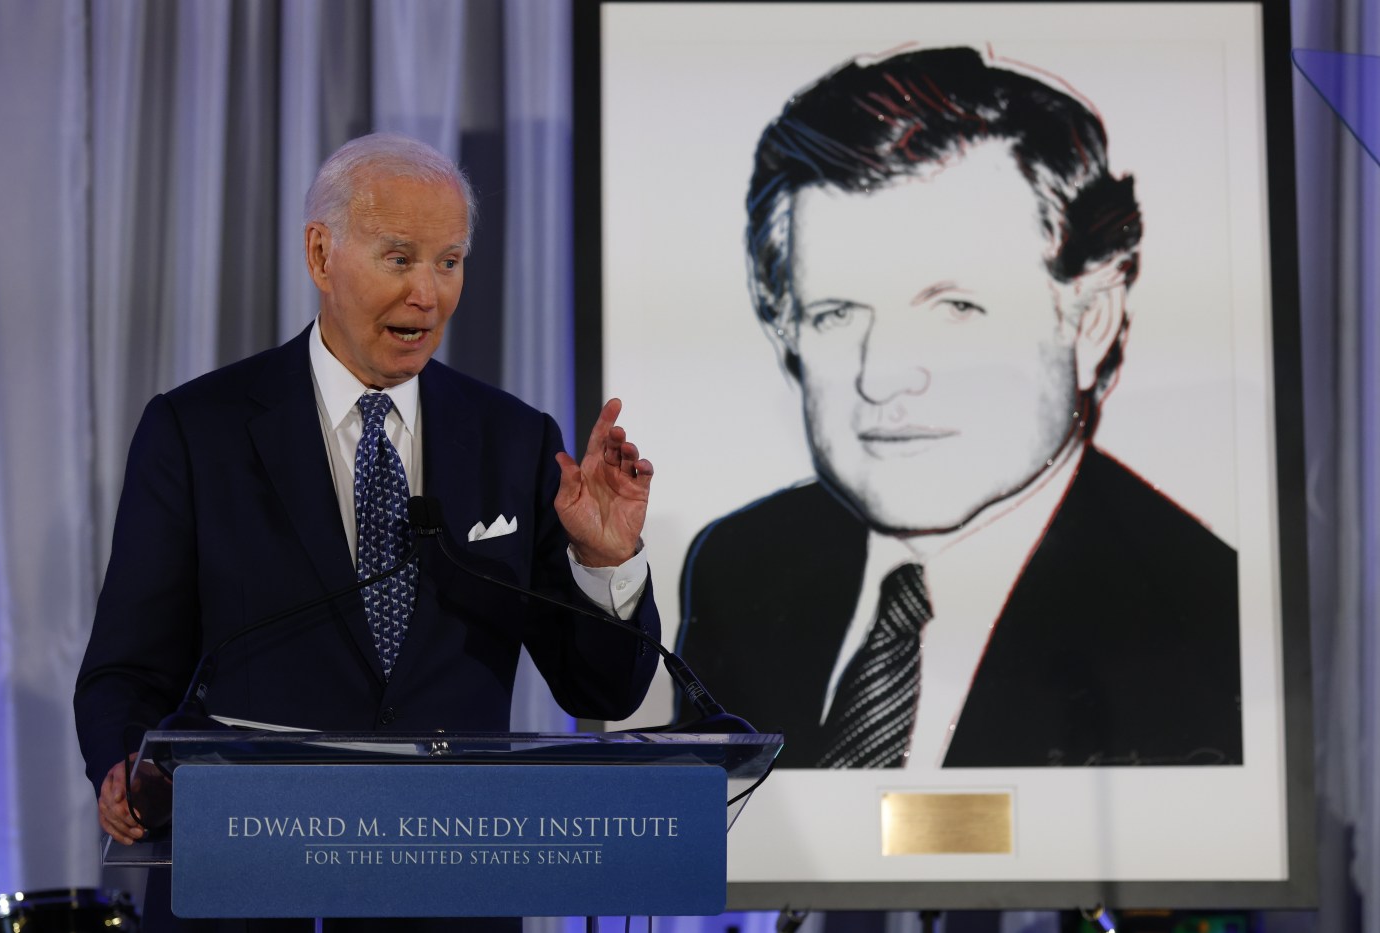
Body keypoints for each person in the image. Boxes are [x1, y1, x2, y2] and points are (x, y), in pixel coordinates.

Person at [74, 133, 661, 930]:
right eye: (399, 259)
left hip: (449, 898)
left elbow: (603, 690)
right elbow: (126, 668)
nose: (428, 293)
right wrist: (123, 766)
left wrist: (603, 559)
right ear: (321, 254)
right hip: (245, 887)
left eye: (449, 262)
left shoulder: (515, 441)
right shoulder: (198, 430)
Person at [676, 46, 1241, 769]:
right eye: (836, 313)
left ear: (1089, 320)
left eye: (955, 308)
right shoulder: (740, 568)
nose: (881, 376)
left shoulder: (1203, 618)